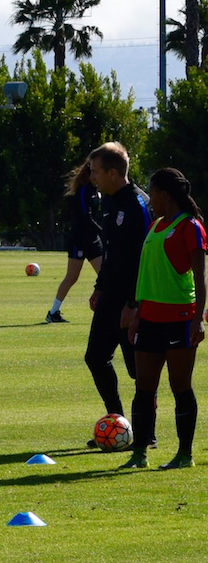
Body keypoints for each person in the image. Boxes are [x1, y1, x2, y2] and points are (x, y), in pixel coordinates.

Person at [120, 168, 206, 470]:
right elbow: (147, 275)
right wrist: (138, 315)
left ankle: (184, 454)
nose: (149, 198)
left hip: (180, 318)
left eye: (152, 192)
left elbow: (200, 277)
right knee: (144, 387)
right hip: (151, 319)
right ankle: (139, 453)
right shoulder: (155, 225)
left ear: (163, 194)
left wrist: (198, 320)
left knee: (180, 384)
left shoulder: (190, 227)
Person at [83, 142, 156, 449]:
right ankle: (118, 424)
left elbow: (143, 259)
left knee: (140, 372)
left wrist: (133, 304)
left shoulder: (139, 205)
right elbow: (114, 253)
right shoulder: (111, 202)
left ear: (113, 173)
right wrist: (100, 287)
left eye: (96, 171)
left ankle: (146, 435)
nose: (92, 177)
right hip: (111, 297)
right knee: (96, 357)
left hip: (131, 302)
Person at [47, 162, 102, 323]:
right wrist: (103, 232)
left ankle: (109, 311)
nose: (96, 176)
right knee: (72, 277)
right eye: (94, 172)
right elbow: (86, 218)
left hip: (93, 241)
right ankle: (53, 312)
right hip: (79, 240)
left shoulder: (97, 191)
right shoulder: (83, 190)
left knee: (106, 275)